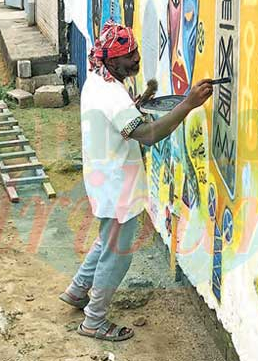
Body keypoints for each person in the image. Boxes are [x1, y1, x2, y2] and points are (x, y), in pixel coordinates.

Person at [58, 22, 213, 342]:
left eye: (136, 51)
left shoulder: (99, 80)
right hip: (116, 187)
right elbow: (149, 134)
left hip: (107, 182)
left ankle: (77, 291)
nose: (137, 59)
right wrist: (188, 104)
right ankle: (94, 320)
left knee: (107, 240)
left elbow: (120, 119)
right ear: (112, 61)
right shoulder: (112, 94)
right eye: (129, 56)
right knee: (118, 250)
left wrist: (135, 106)